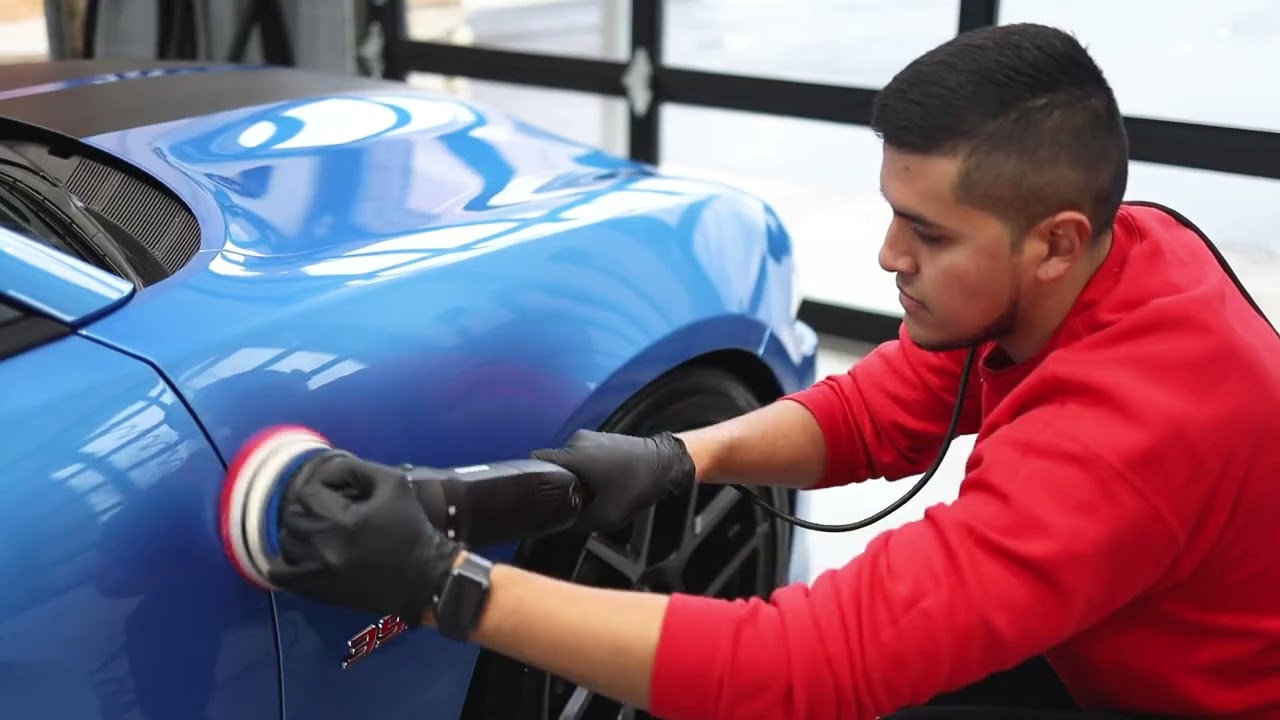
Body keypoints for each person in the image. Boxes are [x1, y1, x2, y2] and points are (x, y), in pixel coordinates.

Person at [264, 22, 1280, 720]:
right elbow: (884, 408)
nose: (887, 257)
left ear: (1053, 243)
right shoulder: (1122, 249)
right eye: (890, 212)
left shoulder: (1129, 438)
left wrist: (444, 588)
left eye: (926, 233)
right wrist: (675, 458)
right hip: (1114, 641)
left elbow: (805, 669)